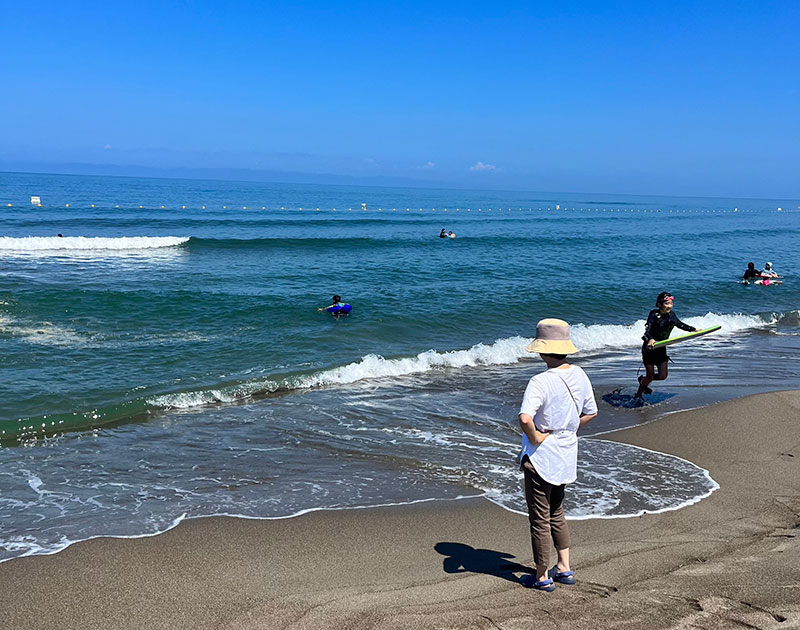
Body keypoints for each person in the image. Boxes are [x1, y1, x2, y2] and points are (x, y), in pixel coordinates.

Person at [517, 319, 597, 592]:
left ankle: (541, 576)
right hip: (566, 453)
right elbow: (591, 412)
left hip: (542, 457)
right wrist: (569, 429)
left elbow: (525, 418)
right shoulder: (580, 374)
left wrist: (536, 438)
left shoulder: (540, 381)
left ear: (542, 351)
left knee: (539, 518)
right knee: (557, 511)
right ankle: (564, 567)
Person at [634, 292, 696, 399]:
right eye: (667, 303)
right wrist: (650, 339)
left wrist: (694, 329)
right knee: (650, 375)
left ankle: (643, 380)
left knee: (663, 376)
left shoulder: (671, 315)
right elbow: (647, 331)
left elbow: (680, 324)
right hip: (649, 348)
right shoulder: (654, 314)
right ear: (659, 304)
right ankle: (638, 395)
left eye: (671, 303)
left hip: (661, 348)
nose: (669, 306)